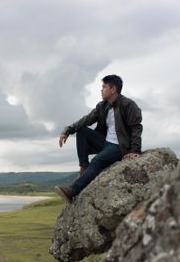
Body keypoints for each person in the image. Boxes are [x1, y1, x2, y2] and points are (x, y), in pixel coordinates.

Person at [54, 74, 143, 204]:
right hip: (105, 142)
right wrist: (68, 130)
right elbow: (86, 119)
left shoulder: (128, 105)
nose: (101, 90)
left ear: (113, 89)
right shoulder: (103, 106)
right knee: (82, 131)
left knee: (97, 160)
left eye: (104, 87)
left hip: (120, 146)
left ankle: (72, 191)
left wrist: (135, 150)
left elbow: (136, 127)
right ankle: (84, 168)